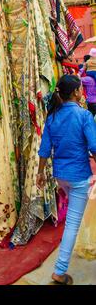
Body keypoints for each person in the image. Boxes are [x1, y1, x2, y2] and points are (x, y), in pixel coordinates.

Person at [36, 74, 96, 285]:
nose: (82, 92)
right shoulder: (84, 116)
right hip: (78, 176)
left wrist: (40, 173)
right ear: (76, 92)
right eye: (80, 89)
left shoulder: (52, 117)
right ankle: (59, 271)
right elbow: (94, 147)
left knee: (75, 214)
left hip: (61, 176)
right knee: (72, 223)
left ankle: (82, 244)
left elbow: (44, 150)